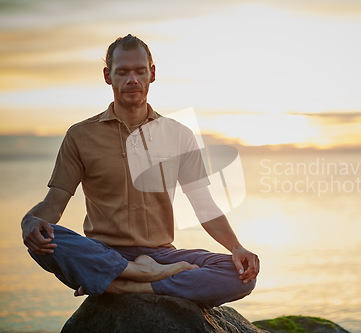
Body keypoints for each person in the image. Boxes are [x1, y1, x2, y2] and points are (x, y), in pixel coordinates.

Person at [21, 34, 259, 308]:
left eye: (140, 71)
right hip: (102, 251)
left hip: (162, 257)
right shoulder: (80, 136)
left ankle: (121, 284)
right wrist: (29, 221)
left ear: (152, 74)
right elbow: (55, 203)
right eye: (122, 72)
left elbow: (204, 206)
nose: (132, 80)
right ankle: (135, 273)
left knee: (239, 274)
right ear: (108, 76)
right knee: (45, 239)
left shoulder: (179, 135)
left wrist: (237, 248)